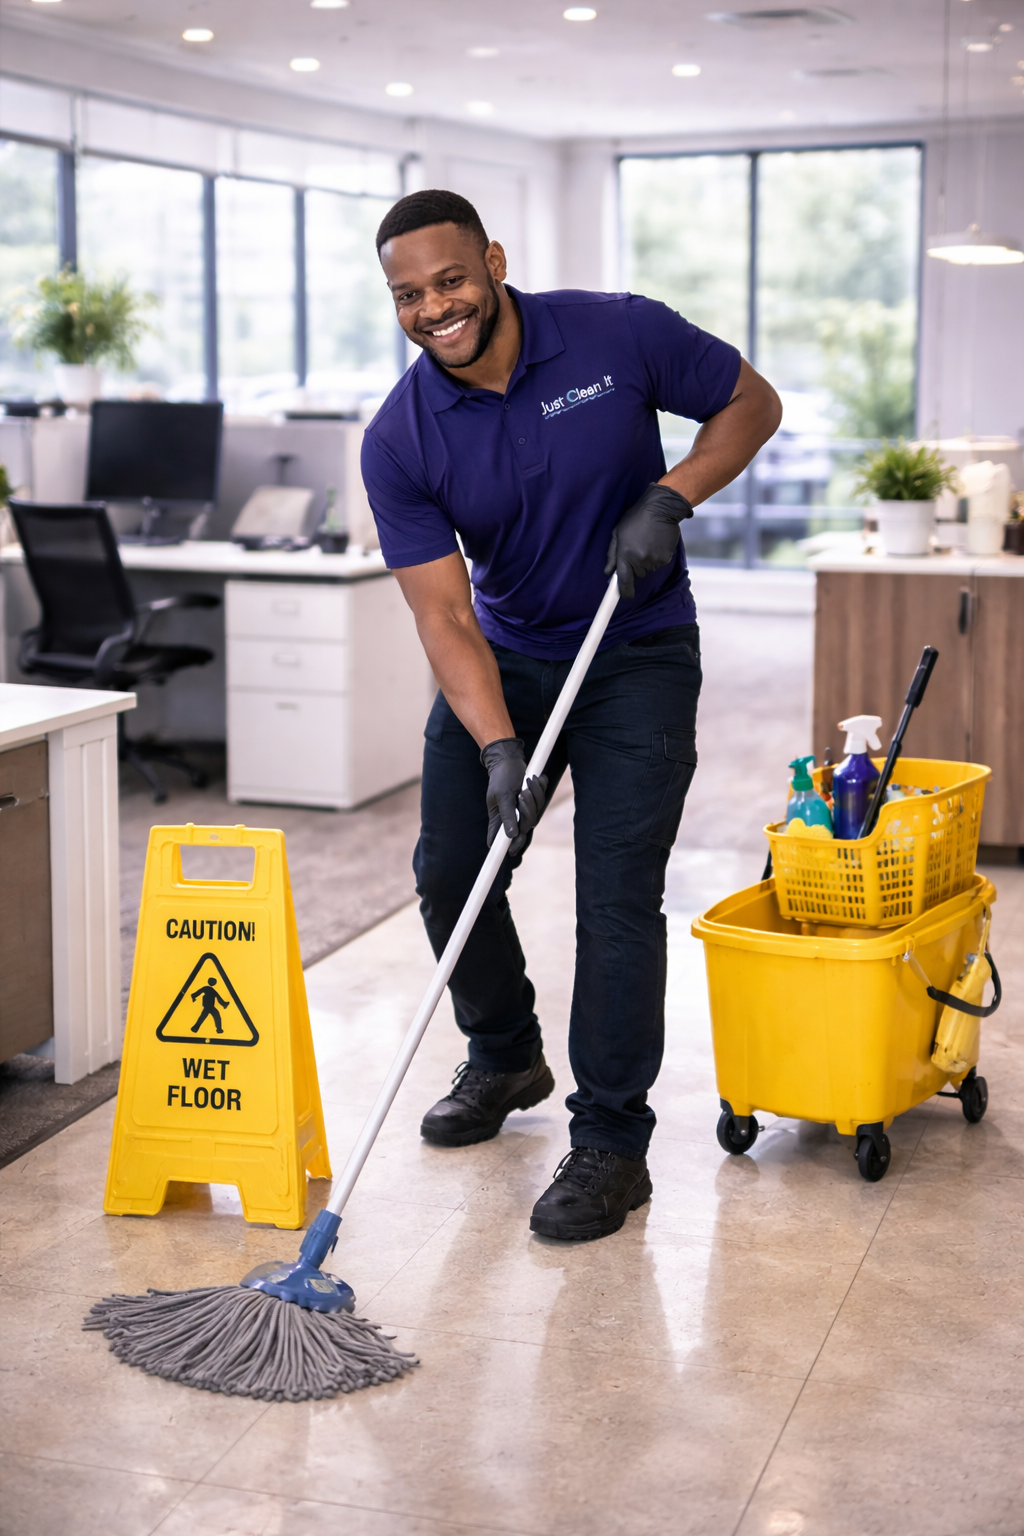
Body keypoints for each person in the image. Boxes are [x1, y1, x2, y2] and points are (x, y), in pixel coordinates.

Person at [362, 189, 781, 1242]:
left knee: (615, 894)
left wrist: (670, 495)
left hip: (635, 648)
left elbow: (752, 403)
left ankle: (608, 1140)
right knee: (452, 870)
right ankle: (504, 1055)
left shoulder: (613, 329)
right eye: (407, 295)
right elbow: (443, 612)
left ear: (493, 262)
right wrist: (499, 744)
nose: (434, 309)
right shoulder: (401, 436)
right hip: (504, 653)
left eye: (450, 280)